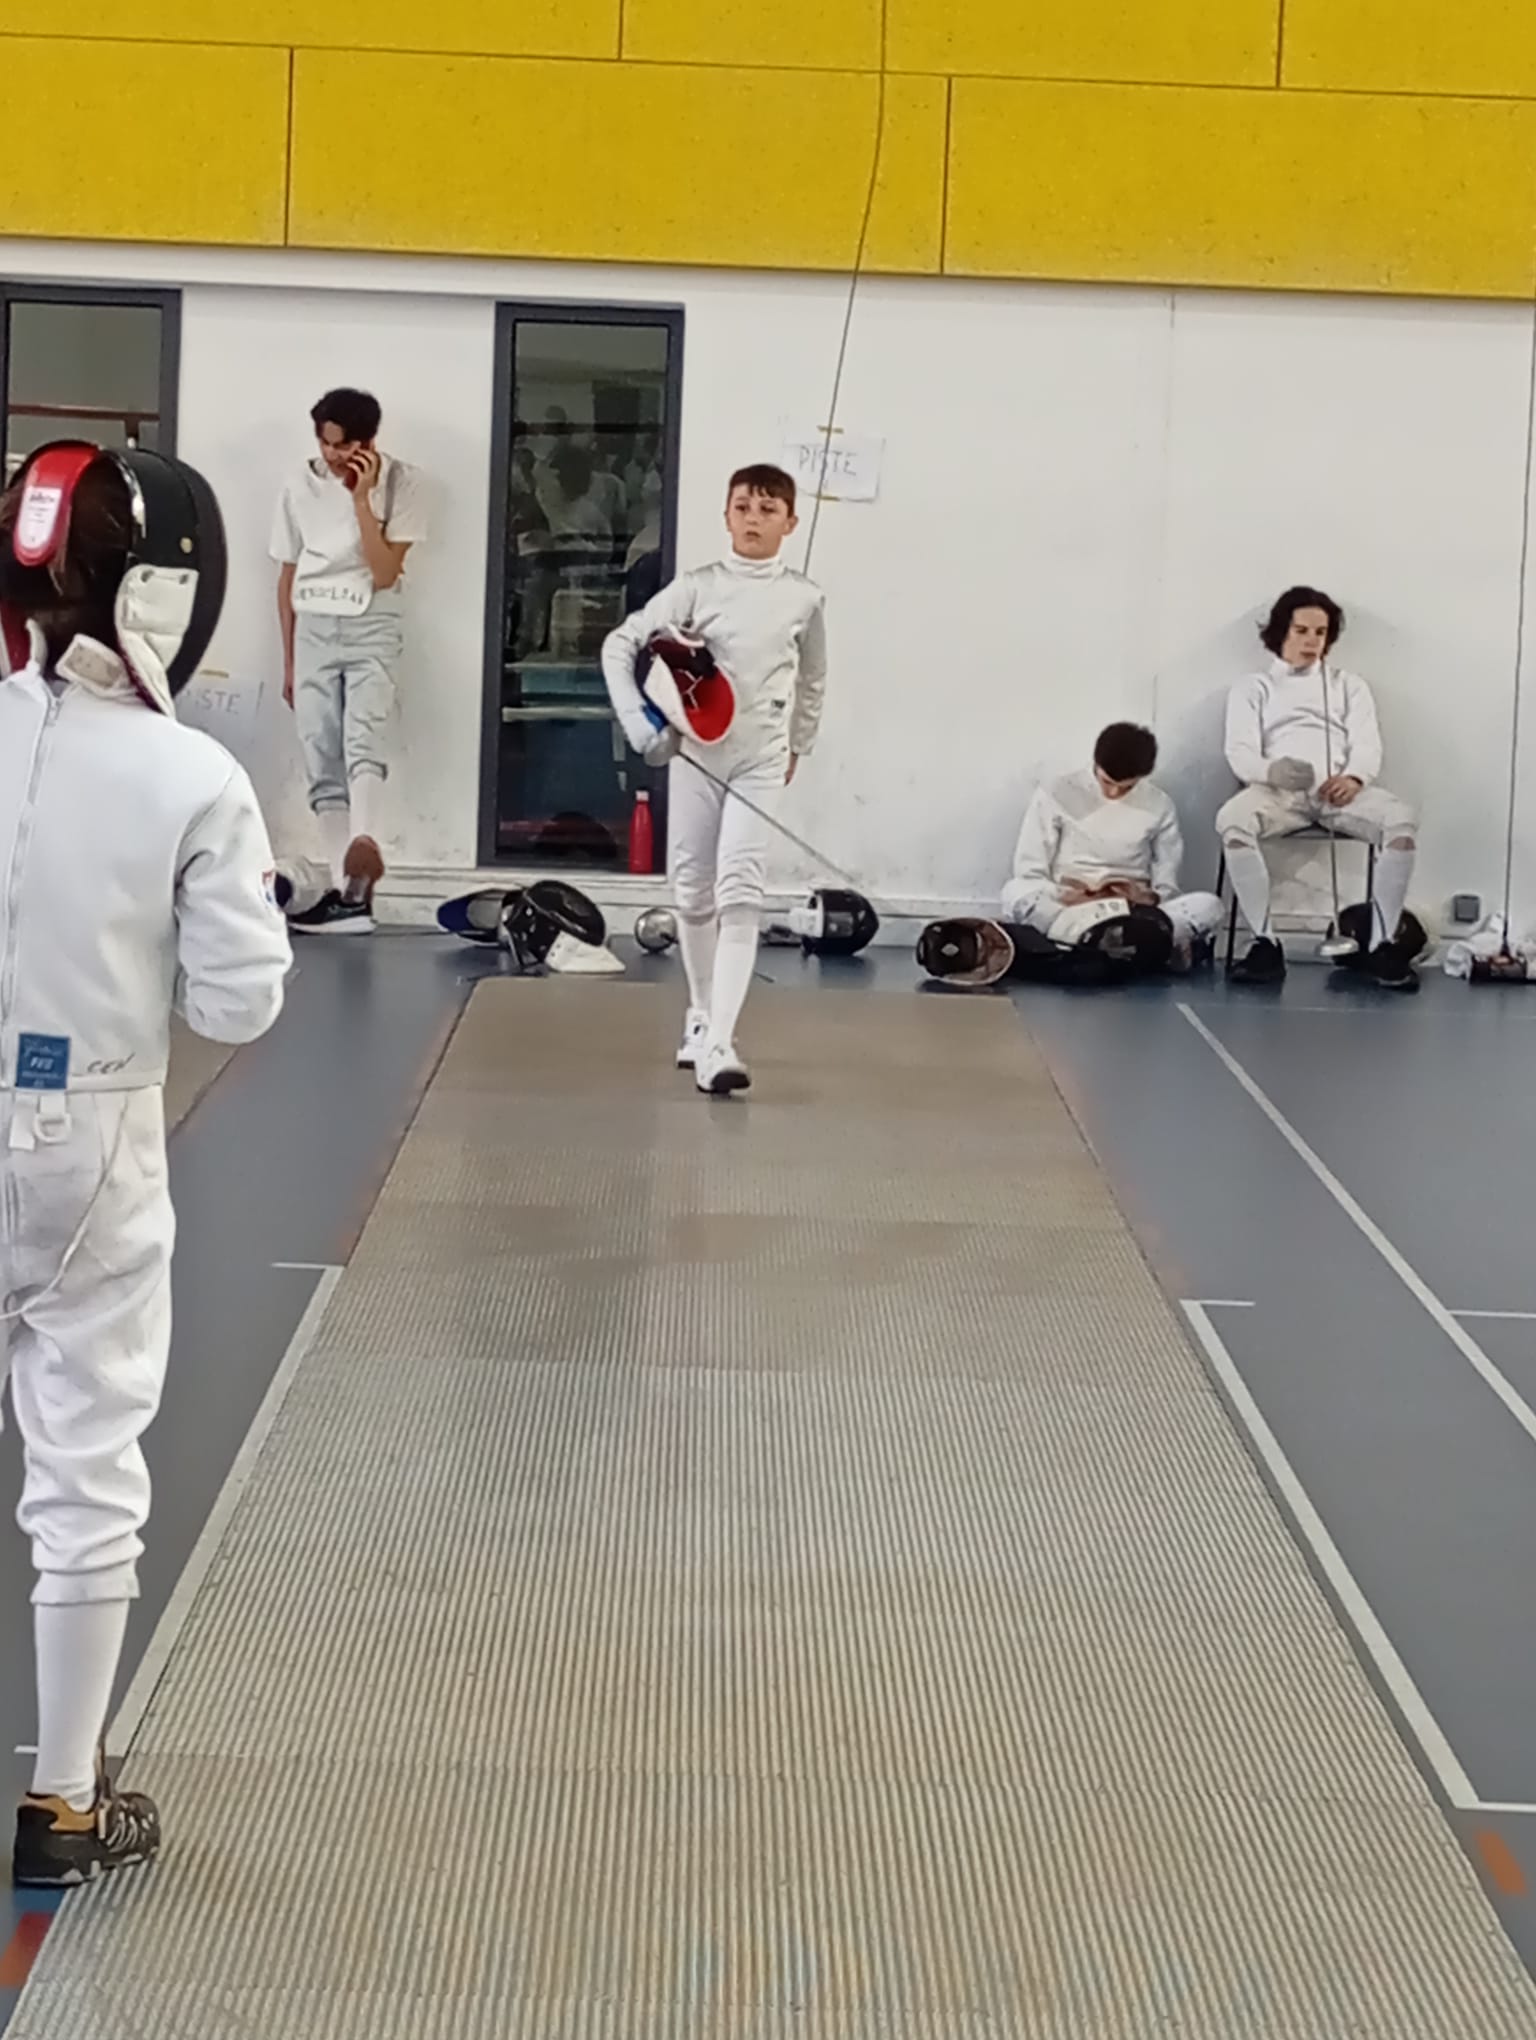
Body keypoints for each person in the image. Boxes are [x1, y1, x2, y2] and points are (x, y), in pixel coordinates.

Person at [0, 443, 290, 1886]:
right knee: (84, 1462)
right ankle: (60, 1804)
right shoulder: (192, 773)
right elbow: (238, 1007)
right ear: (167, 594)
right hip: (84, 1137)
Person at [602, 463, 827, 1094]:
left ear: (790, 522)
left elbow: (813, 678)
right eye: (743, 507)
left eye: (768, 510)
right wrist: (642, 725)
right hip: (698, 757)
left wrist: (799, 744)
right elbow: (619, 646)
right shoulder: (696, 588)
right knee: (694, 890)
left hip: (760, 759)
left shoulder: (805, 598)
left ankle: (722, 1043)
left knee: (740, 888)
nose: (754, 519)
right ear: (726, 515)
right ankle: (700, 1016)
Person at [271, 388, 428, 935]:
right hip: (313, 621)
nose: (333, 454)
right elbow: (287, 574)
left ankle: (362, 865)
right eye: (325, 442)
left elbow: (384, 573)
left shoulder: (403, 483)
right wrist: (289, 660)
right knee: (319, 746)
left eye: (344, 445)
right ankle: (346, 889)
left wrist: (362, 501)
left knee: (364, 735)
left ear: (369, 441)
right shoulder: (298, 482)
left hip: (372, 619)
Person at [1218, 587, 1419, 988]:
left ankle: (1381, 946)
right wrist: (1272, 771)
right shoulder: (1254, 687)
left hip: (1338, 795)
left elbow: (1367, 744)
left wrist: (1354, 777)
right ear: (1281, 631)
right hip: (1277, 796)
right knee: (1232, 821)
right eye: (1302, 631)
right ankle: (1265, 943)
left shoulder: (1349, 686)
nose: (1312, 641)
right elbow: (1239, 751)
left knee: (1401, 820)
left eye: (1320, 632)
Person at [1001, 723, 1222, 970]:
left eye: (1127, 787)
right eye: (1106, 782)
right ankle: (1127, 947)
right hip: (1069, 906)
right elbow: (1029, 869)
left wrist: (1145, 897)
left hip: (1131, 913)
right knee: (1014, 891)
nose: (1114, 792)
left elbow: (1167, 884)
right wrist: (1064, 894)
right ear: (1096, 764)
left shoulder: (1159, 805)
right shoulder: (1057, 792)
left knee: (1209, 905)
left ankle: (1083, 945)